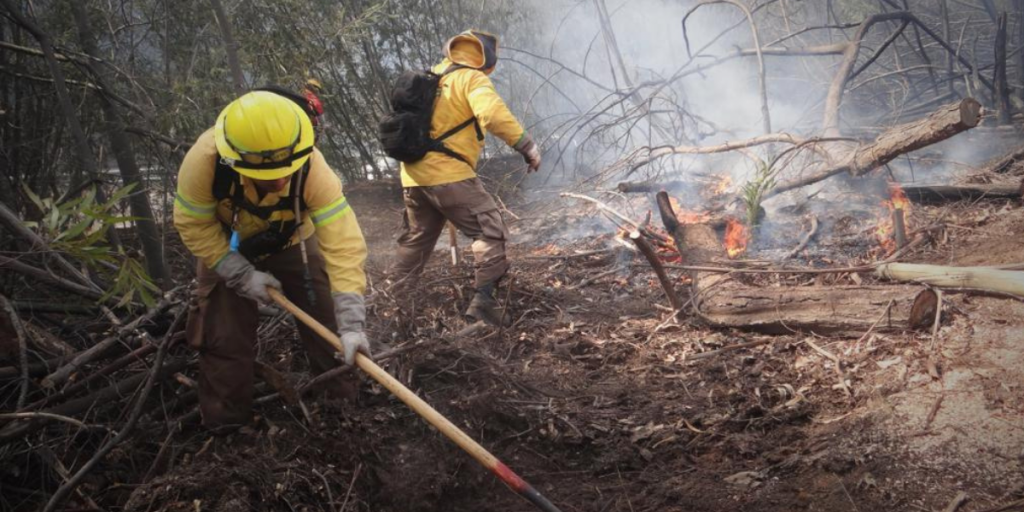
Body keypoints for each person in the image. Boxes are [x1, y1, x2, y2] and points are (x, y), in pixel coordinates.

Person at [173, 90, 369, 430]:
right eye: (268, 174)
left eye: (286, 170)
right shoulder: (203, 162)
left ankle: (341, 411)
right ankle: (228, 428)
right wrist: (239, 274)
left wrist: (352, 323)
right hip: (225, 248)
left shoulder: (313, 167)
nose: (281, 180)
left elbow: (343, 243)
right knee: (223, 339)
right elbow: (193, 224)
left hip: (294, 241)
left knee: (327, 326)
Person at [389, 30, 541, 326]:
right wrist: (527, 145)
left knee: (416, 242)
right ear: (488, 60)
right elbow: (492, 114)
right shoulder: (471, 78)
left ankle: (394, 303)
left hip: (413, 178)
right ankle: (484, 305)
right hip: (449, 176)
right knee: (490, 231)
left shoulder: (432, 76)